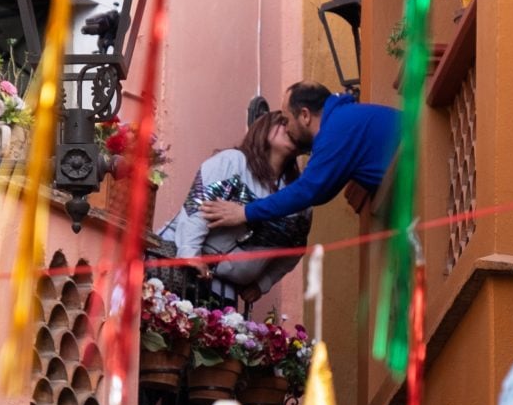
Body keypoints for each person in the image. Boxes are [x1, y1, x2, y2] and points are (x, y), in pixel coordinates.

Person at [159, 111, 312, 304]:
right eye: (283, 122)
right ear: (263, 129)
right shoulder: (233, 162)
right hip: (179, 269)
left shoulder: (298, 196)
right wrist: (190, 253)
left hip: (223, 291)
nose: (290, 127)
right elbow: (198, 205)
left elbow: (295, 249)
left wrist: (262, 283)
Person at [199, 81, 400, 228]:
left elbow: (309, 191)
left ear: (304, 115)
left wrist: (244, 212)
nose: (287, 129)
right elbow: (322, 191)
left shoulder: (336, 130)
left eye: (286, 120)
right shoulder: (345, 118)